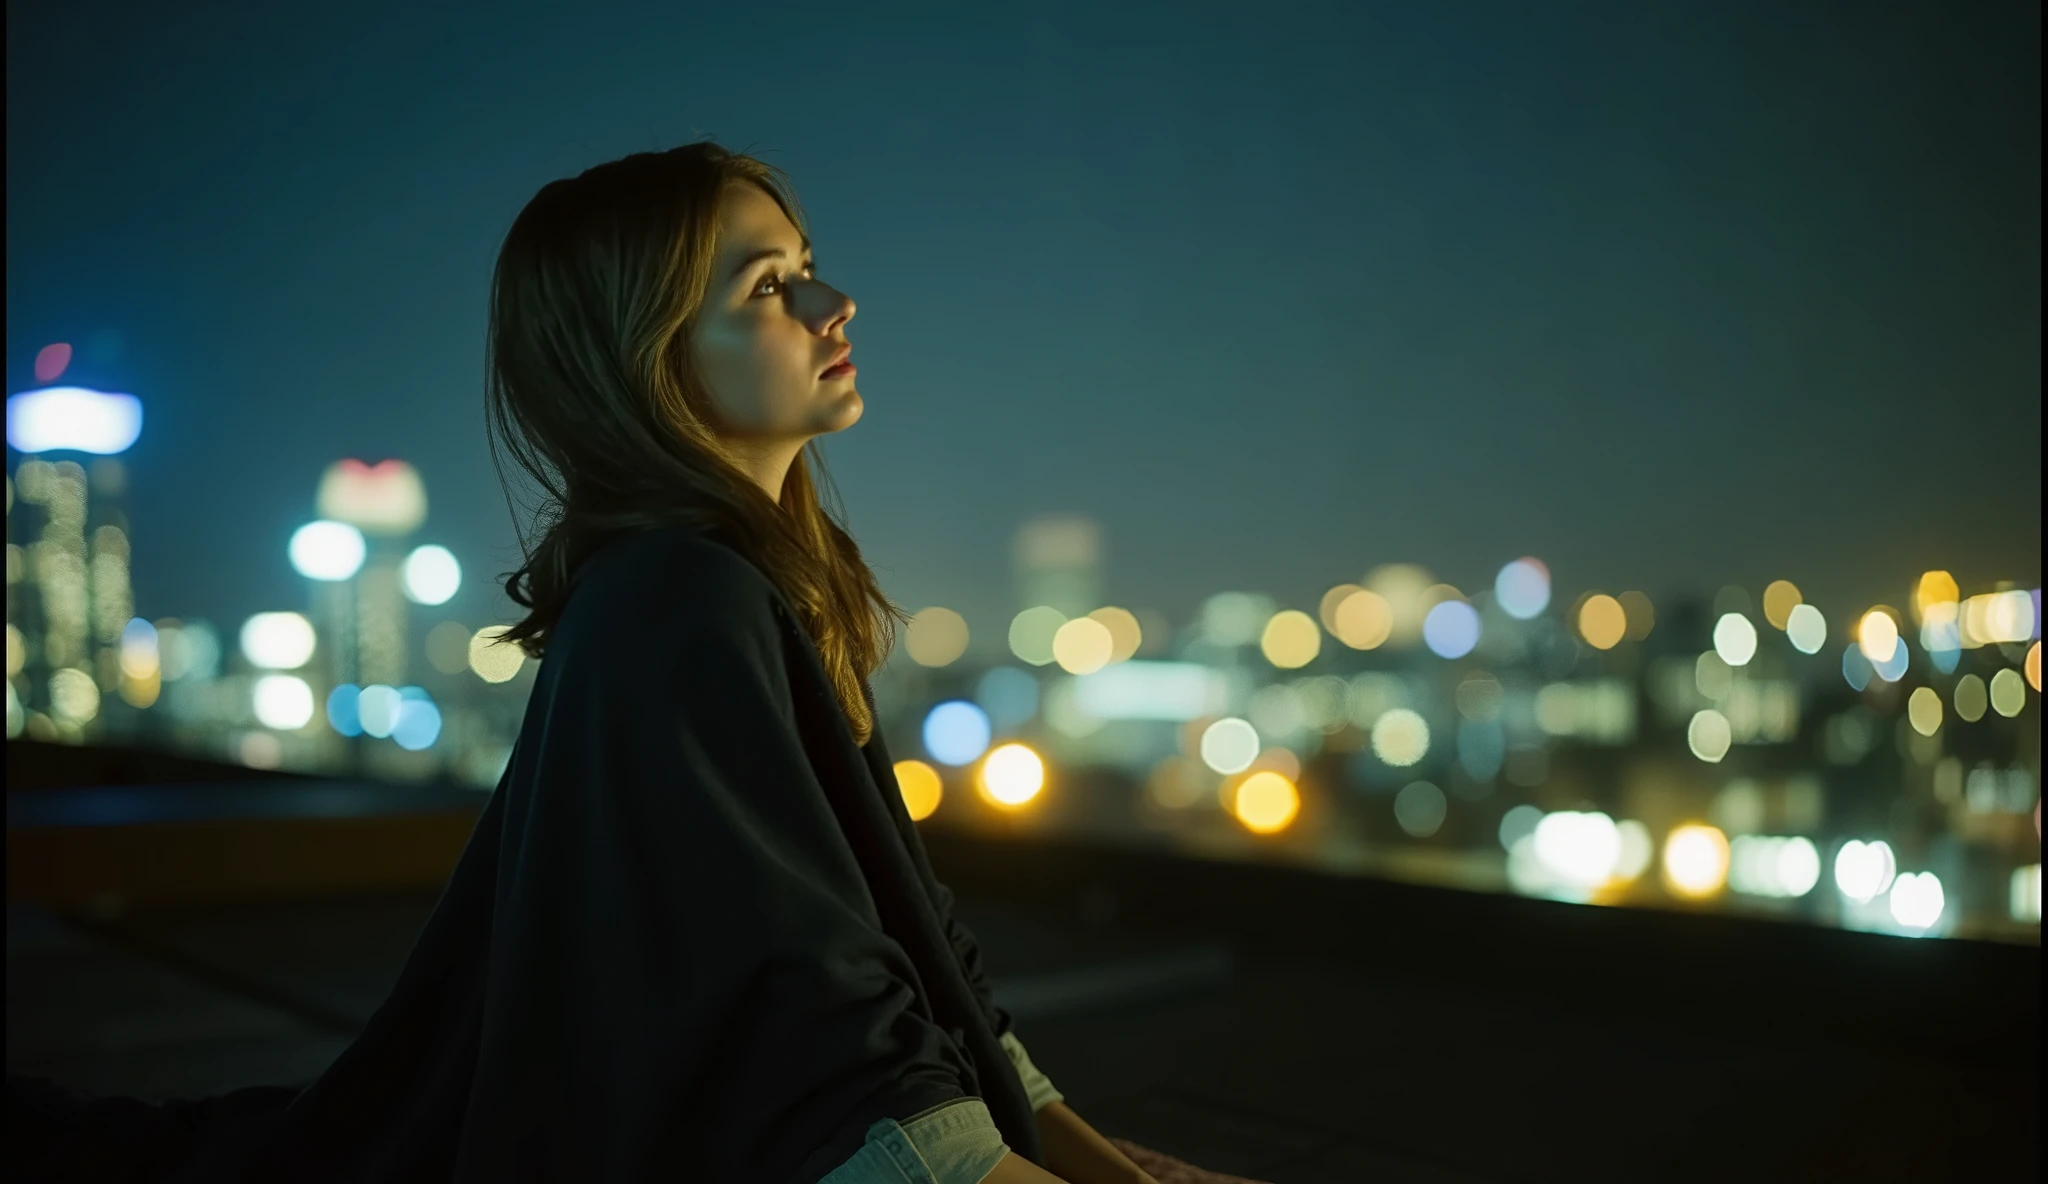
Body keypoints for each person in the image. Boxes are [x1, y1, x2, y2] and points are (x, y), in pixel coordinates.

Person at [3, 141, 1177, 1184]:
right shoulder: (678, 601)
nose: (834, 300)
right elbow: (816, 1037)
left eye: (806, 262)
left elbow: (912, 944)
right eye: (769, 286)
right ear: (648, 358)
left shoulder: (764, 586)